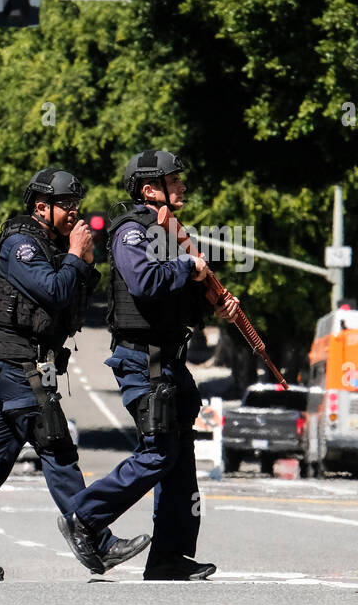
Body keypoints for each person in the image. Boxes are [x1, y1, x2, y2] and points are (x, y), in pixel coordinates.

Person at [0, 169, 150, 580]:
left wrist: (83, 262)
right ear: (41, 208)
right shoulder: (20, 244)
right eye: (66, 206)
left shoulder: (50, 245)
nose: (74, 213)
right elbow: (51, 290)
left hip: (27, 365)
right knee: (56, 444)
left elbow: (71, 298)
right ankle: (97, 541)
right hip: (18, 364)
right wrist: (75, 256)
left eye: (76, 205)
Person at [57, 150, 239, 580]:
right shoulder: (131, 233)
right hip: (144, 360)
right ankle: (83, 516)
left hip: (171, 362)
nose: (182, 185)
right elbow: (144, 281)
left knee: (177, 459)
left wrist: (217, 304)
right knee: (158, 453)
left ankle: (168, 557)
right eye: (172, 179)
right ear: (148, 188)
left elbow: (178, 301)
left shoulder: (173, 235)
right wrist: (187, 267)